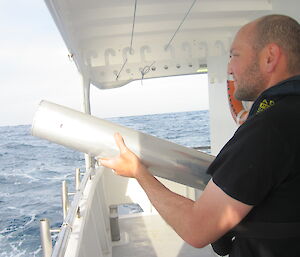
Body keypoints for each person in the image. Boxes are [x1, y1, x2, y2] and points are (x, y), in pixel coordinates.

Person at [99, 14, 300, 257]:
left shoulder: (270, 130)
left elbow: (197, 229)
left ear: (269, 57)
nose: (229, 68)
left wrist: (138, 172)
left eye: (234, 55)